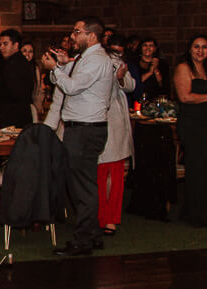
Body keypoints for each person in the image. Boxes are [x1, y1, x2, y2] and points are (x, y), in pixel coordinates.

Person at [43, 17, 119, 255]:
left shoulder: (96, 59)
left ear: (92, 35)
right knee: (84, 184)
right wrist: (63, 66)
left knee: (82, 186)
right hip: (82, 127)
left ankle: (84, 240)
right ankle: (92, 234)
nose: (73, 36)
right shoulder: (87, 58)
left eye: (77, 32)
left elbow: (73, 88)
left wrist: (55, 68)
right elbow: (70, 83)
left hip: (85, 129)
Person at [173, 35, 207, 228]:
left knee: (205, 167)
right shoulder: (183, 68)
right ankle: (198, 216)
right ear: (189, 49)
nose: (200, 51)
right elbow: (185, 97)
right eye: (196, 47)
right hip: (191, 124)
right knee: (197, 167)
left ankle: (198, 211)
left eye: (204, 47)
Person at [99, 56, 138, 236]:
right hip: (91, 122)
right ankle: (98, 216)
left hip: (114, 124)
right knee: (96, 176)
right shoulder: (83, 60)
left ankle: (111, 219)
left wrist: (120, 77)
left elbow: (131, 85)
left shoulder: (115, 61)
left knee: (114, 176)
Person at [0, 29, 37, 128]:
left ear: (15, 45)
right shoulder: (12, 62)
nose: (1, 47)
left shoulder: (15, 63)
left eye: (5, 44)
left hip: (15, 119)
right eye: (1, 44)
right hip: (15, 117)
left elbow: (13, 93)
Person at [131, 37, 165, 105]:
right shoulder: (133, 63)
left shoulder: (162, 64)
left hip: (154, 100)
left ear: (155, 48)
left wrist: (155, 69)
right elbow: (134, 83)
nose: (148, 48)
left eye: (151, 46)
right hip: (137, 99)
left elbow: (162, 85)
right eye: (145, 45)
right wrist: (150, 72)